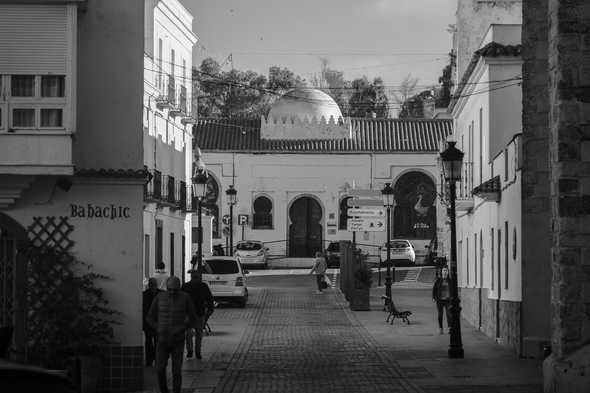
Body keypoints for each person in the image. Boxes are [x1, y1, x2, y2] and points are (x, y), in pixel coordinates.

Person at [146, 276, 197, 393]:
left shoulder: (185, 298)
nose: (172, 292)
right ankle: (164, 390)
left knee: (176, 370)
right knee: (159, 368)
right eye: (170, 289)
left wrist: (184, 327)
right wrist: (157, 328)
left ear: (179, 288)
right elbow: (149, 317)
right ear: (166, 288)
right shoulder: (159, 298)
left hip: (178, 340)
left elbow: (193, 317)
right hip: (162, 339)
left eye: (175, 290)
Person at [181, 268, 214, 359]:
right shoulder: (186, 286)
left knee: (197, 333)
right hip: (191, 314)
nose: (195, 279)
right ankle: (191, 351)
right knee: (190, 334)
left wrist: (210, 308)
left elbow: (209, 298)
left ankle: (196, 351)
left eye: (196, 277)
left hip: (198, 313)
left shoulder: (202, 286)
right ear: (191, 277)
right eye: (194, 277)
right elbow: (210, 299)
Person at [142, 278, 163, 367]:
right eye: (151, 284)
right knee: (148, 341)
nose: (153, 286)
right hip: (148, 322)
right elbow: (144, 309)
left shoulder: (161, 294)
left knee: (158, 341)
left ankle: (157, 358)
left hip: (159, 321)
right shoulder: (144, 295)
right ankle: (149, 359)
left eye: (154, 284)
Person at [432, 266, 452, 334]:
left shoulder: (450, 281)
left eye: (446, 270)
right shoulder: (438, 280)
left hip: (448, 301)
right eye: (444, 270)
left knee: (449, 314)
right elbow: (434, 289)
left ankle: (450, 328)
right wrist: (434, 297)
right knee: (440, 315)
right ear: (442, 272)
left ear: (448, 272)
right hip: (440, 301)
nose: (445, 272)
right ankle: (440, 328)